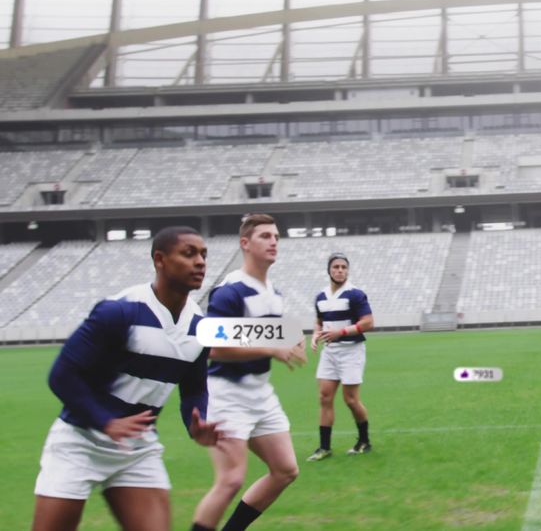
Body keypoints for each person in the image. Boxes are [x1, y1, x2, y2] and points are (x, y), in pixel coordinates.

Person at [32, 226, 221, 531]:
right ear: (160, 260)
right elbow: (61, 375)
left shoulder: (201, 327)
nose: (200, 262)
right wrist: (106, 422)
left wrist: (195, 422)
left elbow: (194, 389)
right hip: (80, 442)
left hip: (137, 449)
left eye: (203, 255)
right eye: (189, 254)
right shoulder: (119, 311)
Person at [191, 213, 307, 531]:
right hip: (227, 393)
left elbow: (262, 334)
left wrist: (290, 338)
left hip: (260, 392)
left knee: (285, 470)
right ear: (245, 243)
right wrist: (272, 349)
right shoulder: (230, 290)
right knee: (230, 481)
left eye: (276, 237)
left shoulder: (274, 293)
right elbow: (213, 347)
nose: (273, 242)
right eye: (265, 236)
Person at [306, 252, 375, 461]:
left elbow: (368, 322)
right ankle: (324, 447)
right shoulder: (321, 296)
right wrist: (315, 334)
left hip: (351, 351)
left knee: (351, 399)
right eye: (336, 267)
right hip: (329, 352)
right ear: (329, 270)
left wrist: (341, 332)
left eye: (344, 267)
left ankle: (364, 441)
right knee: (324, 397)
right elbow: (319, 322)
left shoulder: (355, 294)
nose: (340, 270)